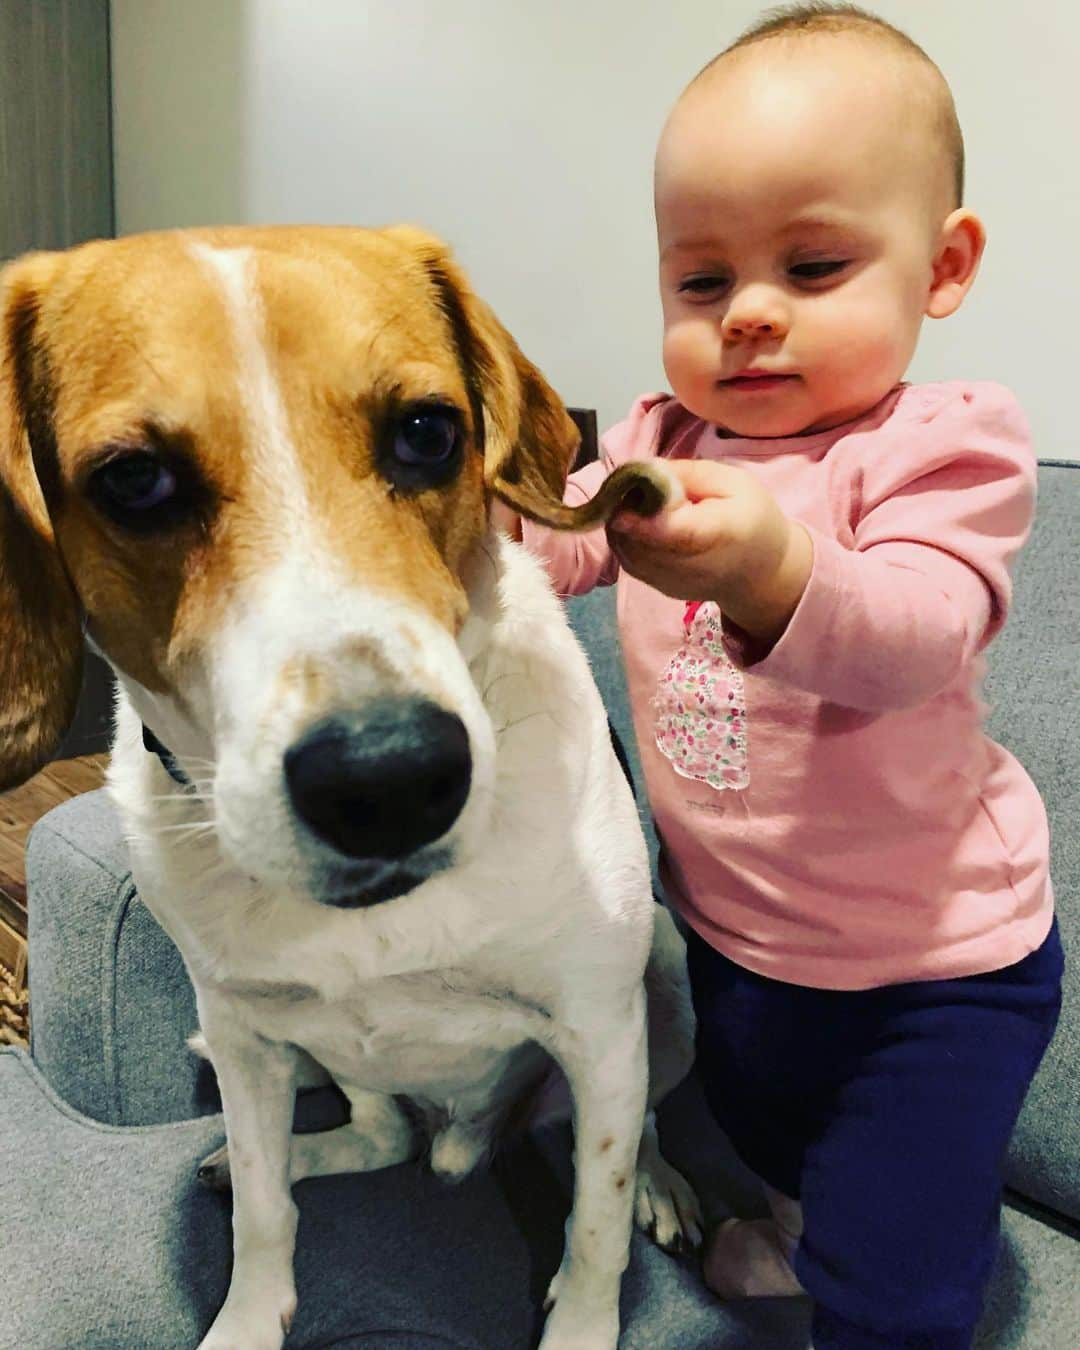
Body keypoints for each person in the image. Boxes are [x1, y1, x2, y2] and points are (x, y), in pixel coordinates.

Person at [496, 6, 1063, 1348]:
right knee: (766, 1131)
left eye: (811, 264)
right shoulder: (657, 434)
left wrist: (772, 570)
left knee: (902, 1270)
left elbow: (924, 626)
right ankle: (804, 1223)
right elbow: (557, 545)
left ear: (944, 263)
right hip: (742, 941)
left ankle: (876, 1281)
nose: (748, 314)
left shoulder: (945, 445)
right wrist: (462, 537)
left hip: (937, 974)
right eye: (701, 282)